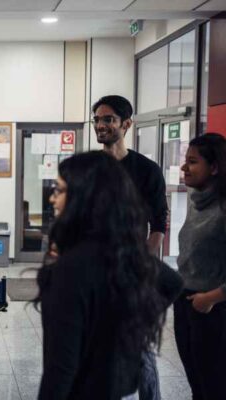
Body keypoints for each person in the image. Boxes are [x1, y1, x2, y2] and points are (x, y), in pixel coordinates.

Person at [35, 151, 181, 400]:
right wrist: (128, 320)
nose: (52, 199)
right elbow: (172, 283)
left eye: (60, 190)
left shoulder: (68, 271)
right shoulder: (123, 253)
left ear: (83, 198)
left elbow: (60, 369)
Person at [92, 95, 168, 400]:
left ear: (126, 123)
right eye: (97, 119)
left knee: (139, 348)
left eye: (108, 119)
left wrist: (142, 265)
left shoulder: (147, 170)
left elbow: (159, 224)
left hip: (131, 272)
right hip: (94, 271)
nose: (101, 125)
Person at [175, 133, 226, 399]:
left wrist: (211, 298)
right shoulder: (197, 200)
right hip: (187, 302)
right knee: (198, 383)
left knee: (214, 386)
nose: (184, 167)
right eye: (185, 160)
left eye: (192, 162)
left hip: (213, 308)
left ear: (215, 167)